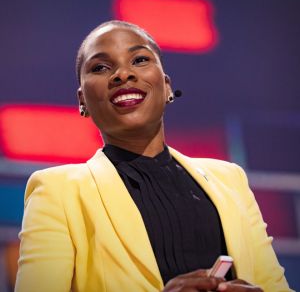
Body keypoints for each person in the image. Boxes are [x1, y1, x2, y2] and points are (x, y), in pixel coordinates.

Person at [15, 20, 292, 292]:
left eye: (139, 60)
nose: (123, 74)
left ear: (167, 86)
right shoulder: (56, 191)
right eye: (100, 67)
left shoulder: (230, 180)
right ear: (82, 101)